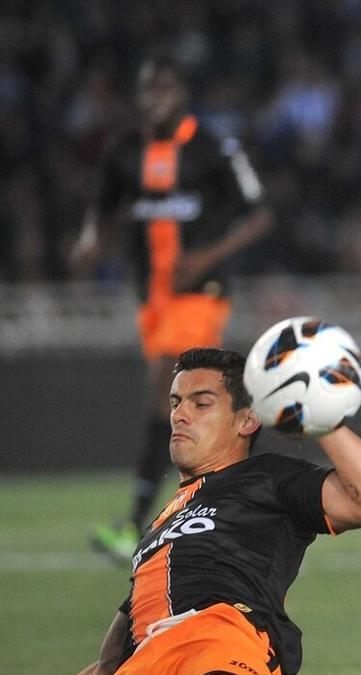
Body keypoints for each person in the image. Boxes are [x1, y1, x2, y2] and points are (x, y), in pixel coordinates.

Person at [78, 347, 361, 675]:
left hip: (219, 645)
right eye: (176, 402)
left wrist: (321, 419)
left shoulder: (269, 477)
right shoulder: (161, 525)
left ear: (247, 419)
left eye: (201, 403)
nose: (178, 414)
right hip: (148, 659)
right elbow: (121, 638)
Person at [71, 56, 272, 562]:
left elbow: (258, 215)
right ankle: (235, 508)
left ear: (182, 93)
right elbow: (103, 209)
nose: (157, 99)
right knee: (194, 399)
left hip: (199, 288)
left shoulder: (212, 148)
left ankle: (144, 521)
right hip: (153, 296)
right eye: (148, 90)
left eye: (166, 89)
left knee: (174, 386)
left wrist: (207, 254)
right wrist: (92, 241)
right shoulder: (123, 151)